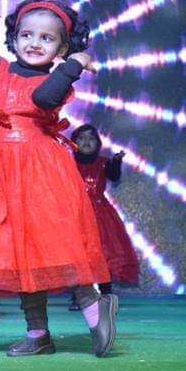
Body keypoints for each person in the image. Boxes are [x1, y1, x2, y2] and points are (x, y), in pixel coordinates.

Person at [0, 0, 117, 357]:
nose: (34, 43)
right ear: (15, 38)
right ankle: (38, 333)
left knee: (54, 242)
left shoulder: (57, 79)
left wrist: (74, 64)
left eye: (47, 39)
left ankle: (93, 305)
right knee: (16, 252)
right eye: (26, 35)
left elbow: (43, 98)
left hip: (38, 170)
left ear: (61, 48)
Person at [68, 124, 139, 310]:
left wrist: (116, 163)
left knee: (104, 253)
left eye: (91, 138)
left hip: (100, 215)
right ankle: (79, 296)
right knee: (78, 256)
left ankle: (106, 293)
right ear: (73, 143)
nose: (86, 141)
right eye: (81, 138)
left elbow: (114, 177)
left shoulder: (103, 163)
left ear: (98, 144)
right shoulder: (67, 163)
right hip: (76, 215)